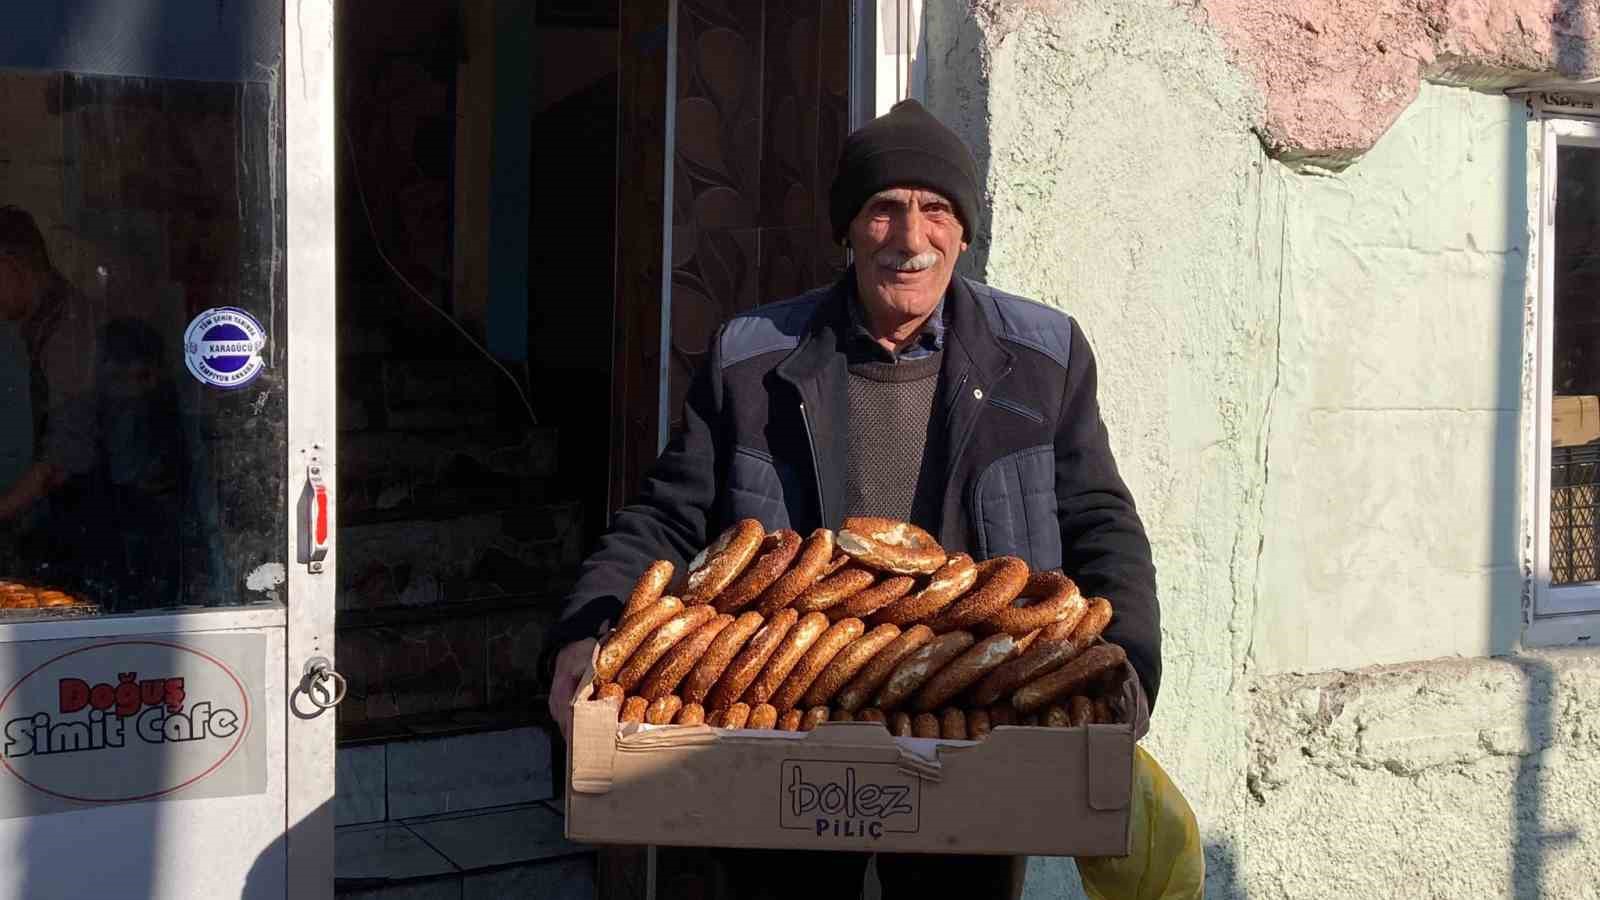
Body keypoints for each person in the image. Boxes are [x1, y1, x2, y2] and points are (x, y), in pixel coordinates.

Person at [545, 100, 1161, 899]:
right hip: (790, 733)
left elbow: (1100, 522)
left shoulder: (1042, 358)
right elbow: (667, 517)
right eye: (884, 211)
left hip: (978, 734)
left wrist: (1134, 667)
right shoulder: (752, 359)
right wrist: (587, 629)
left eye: (936, 210)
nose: (911, 240)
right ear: (847, 230)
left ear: (964, 232)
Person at [0, 206, 98, 570]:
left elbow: (63, 458)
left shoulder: (67, 328)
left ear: (12, 262)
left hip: (79, 522)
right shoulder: (36, 325)